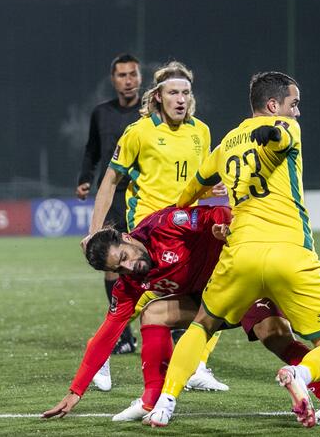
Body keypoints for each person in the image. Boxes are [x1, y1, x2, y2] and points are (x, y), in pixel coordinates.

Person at [145, 72, 320, 428]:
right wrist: (272, 132)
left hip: (239, 255)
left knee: (202, 325)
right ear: (274, 105)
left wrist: (181, 218)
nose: (297, 113)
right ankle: (301, 376)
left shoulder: (226, 143)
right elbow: (281, 136)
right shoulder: (285, 127)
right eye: (294, 104)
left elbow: (192, 189)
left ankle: (165, 402)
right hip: (290, 255)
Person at [41, 205, 320, 426]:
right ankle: (152, 400)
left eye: (124, 258)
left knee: (274, 335)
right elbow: (107, 333)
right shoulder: (131, 280)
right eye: (117, 268)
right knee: (152, 313)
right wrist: (75, 392)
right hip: (208, 300)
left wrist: (225, 227)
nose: (128, 268)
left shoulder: (166, 225)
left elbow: (214, 214)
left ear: (126, 237)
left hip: (238, 281)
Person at [84, 60, 228, 391]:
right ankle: (102, 355)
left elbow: (197, 181)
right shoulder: (139, 132)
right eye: (173, 92)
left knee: (217, 291)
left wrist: (212, 189)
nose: (180, 99)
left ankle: (197, 366)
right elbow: (108, 182)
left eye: (186, 93)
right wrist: (95, 232)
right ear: (159, 96)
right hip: (149, 229)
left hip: (188, 229)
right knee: (142, 298)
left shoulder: (201, 131)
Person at [76, 53, 142, 360]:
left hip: (144, 196)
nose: (128, 80)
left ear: (140, 78)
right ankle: (123, 336)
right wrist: (85, 179)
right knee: (111, 263)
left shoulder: (149, 113)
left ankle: (169, 326)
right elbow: (92, 150)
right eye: (122, 75)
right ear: (113, 79)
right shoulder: (101, 113)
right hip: (113, 196)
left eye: (133, 74)